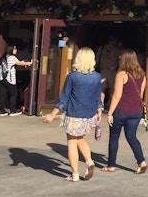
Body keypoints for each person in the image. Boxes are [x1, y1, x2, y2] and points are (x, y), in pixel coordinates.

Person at [42, 47, 103, 182]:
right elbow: (98, 96)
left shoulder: (72, 76)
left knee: (71, 142)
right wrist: (100, 109)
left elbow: (64, 98)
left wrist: (52, 114)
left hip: (74, 112)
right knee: (81, 138)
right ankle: (89, 161)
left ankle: (75, 174)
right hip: (89, 113)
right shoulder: (97, 77)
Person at [103, 49, 148, 174]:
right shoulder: (142, 75)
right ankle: (141, 162)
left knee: (114, 138)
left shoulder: (121, 74)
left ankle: (111, 165)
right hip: (136, 111)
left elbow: (117, 95)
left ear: (123, 59)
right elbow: (141, 95)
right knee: (132, 137)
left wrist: (110, 112)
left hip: (121, 110)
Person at [0, 45, 33, 116]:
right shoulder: (12, 57)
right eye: (14, 49)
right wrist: (30, 63)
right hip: (8, 79)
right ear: (11, 50)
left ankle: (2, 111)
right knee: (14, 94)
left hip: (0, 78)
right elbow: (19, 63)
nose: (16, 50)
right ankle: (12, 111)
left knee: (2, 94)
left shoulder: (4, 57)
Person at [96, 35, 122, 109]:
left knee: (102, 88)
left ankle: (101, 104)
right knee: (112, 88)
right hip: (111, 70)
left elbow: (97, 59)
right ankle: (110, 103)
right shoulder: (116, 50)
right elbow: (120, 60)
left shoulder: (101, 48)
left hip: (103, 70)